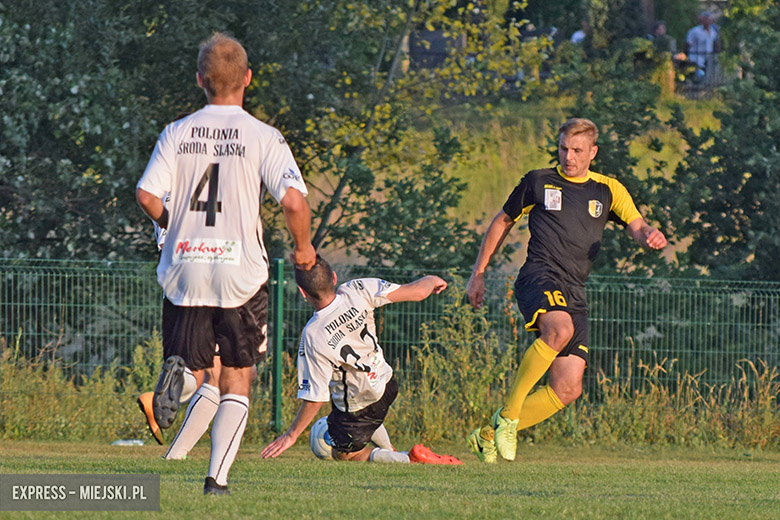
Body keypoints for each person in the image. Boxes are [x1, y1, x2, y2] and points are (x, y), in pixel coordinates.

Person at [136, 32, 316, 494]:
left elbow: (147, 195)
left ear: (200, 80)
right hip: (240, 273)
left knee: (198, 369)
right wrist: (303, 250)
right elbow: (294, 201)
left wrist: (175, 226)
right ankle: (216, 480)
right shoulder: (263, 136)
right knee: (238, 377)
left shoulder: (176, 133)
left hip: (185, 267)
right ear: (248, 79)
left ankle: (178, 379)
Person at [465, 118, 667, 463]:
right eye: (563, 148)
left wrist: (649, 235)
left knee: (568, 387)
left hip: (575, 289)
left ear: (593, 152)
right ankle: (510, 417)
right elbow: (502, 221)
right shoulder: (538, 181)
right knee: (560, 329)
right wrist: (478, 273)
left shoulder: (608, 190)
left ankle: (487, 433)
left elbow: (636, 224)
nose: (568, 156)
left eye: (576, 150)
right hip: (539, 276)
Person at [261, 256, 461, 465]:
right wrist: (431, 278)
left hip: (358, 405)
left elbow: (315, 397)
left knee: (345, 454)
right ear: (334, 278)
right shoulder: (357, 288)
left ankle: (409, 460)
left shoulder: (313, 334)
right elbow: (418, 292)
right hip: (386, 383)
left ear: (303, 292)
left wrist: (291, 435)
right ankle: (389, 450)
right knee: (356, 418)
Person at [685, 11, 721, 82]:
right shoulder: (695, 31)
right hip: (696, 58)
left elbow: (716, 44)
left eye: (709, 20)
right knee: (696, 78)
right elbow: (687, 43)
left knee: (708, 78)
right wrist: (686, 55)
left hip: (708, 58)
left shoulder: (713, 32)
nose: (707, 22)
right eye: (705, 20)